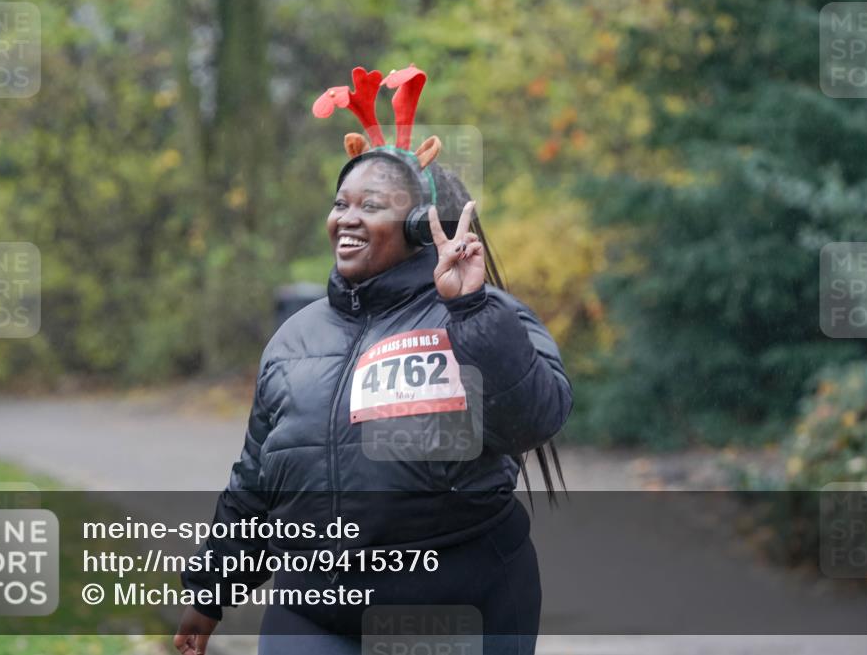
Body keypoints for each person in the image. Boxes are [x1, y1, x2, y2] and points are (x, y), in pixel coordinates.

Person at [174, 65, 572, 655]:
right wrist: (209, 593)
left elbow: (536, 418)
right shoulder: (294, 337)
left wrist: (471, 313)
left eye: (372, 205)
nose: (347, 217)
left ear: (419, 224)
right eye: (341, 202)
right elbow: (257, 481)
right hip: (313, 611)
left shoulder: (485, 314)